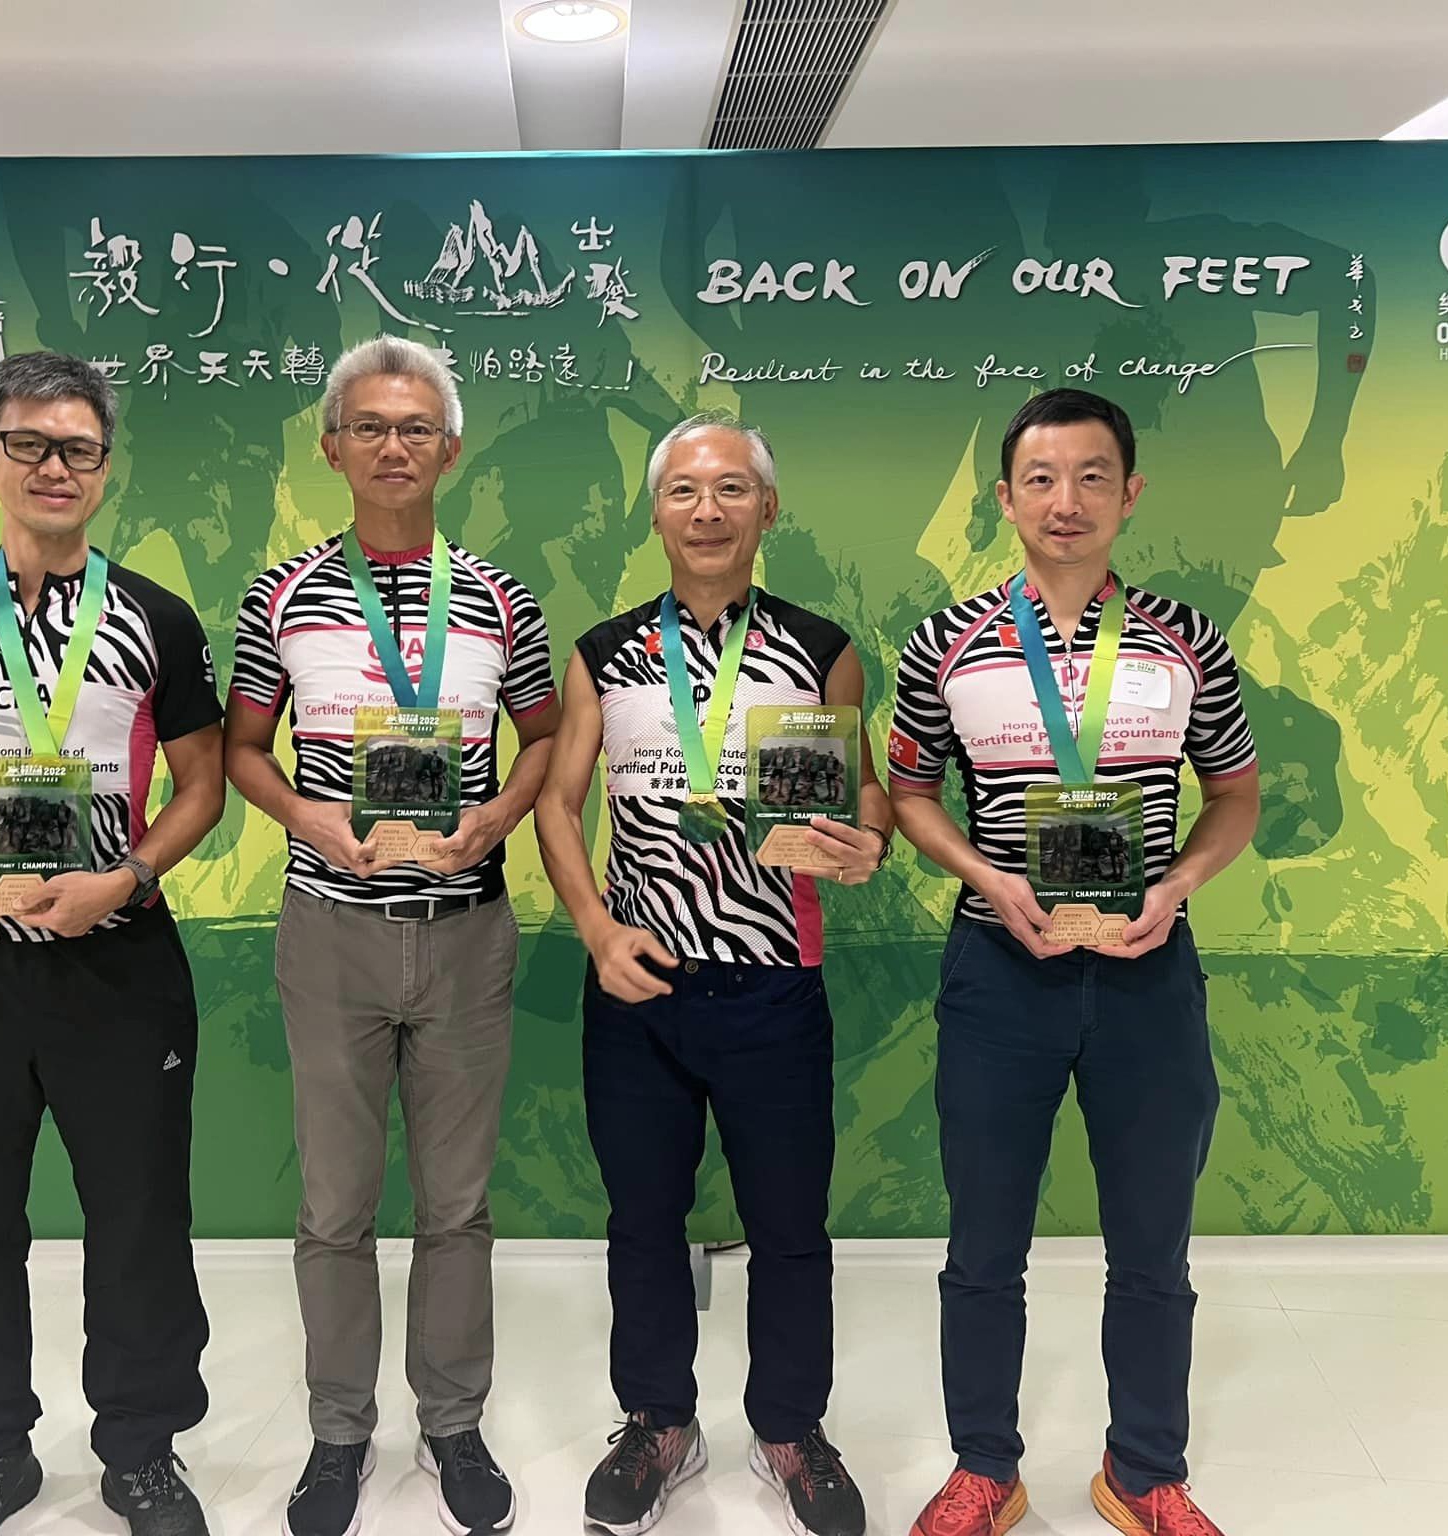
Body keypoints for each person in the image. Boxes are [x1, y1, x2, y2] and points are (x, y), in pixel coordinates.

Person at [0, 352, 227, 1536]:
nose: (53, 466)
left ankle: (140, 1452)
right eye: (29, 444)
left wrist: (125, 875)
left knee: (139, 1215)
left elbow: (202, 787)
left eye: (77, 447)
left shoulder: (154, 617)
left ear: (104, 468)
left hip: (115, 963)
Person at [888, 389, 1260, 1536]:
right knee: (981, 1245)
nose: (1066, 500)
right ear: (1004, 499)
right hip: (998, 969)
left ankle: (1142, 1471)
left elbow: (1233, 796)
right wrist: (982, 874)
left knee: (1151, 1243)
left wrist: (1175, 885)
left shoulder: (1184, 640)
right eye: (1040, 479)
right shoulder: (945, 643)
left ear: (1128, 494)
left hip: (1145, 971)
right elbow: (908, 792)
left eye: (1091, 476)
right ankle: (982, 1468)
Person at [224, 336, 559, 1536]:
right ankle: (336, 1433)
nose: (392, 446)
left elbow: (542, 740)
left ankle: (452, 1424)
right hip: (331, 932)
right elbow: (242, 749)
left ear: (449, 450)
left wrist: (496, 819)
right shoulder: (281, 596)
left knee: (456, 1206)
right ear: (331, 448)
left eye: (415, 427)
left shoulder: (501, 600)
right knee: (334, 1208)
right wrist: (308, 817)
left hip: (464, 930)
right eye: (368, 426)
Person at [534, 410, 890, 1536]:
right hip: (637, 980)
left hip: (772, 978)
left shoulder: (819, 645)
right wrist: (595, 930)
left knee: (789, 1227)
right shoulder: (604, 652)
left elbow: (861, 790)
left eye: (731, 488)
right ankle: (657, 1422)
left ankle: (789, 1430)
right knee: (642, 1217)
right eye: (684, 490)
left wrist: (869, 839)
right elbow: (557, 802)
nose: (707, 510)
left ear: (766, 509)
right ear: (655, 512)